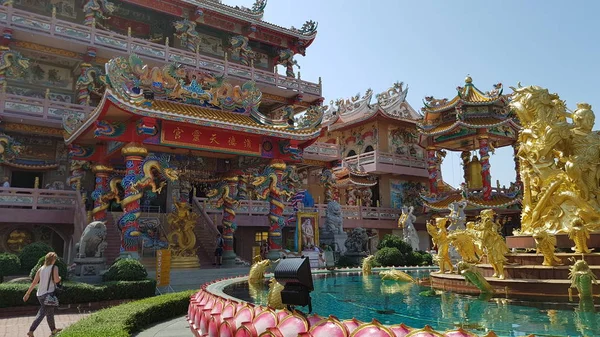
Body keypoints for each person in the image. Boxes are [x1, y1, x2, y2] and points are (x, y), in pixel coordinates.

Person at [23, 252, 62, 337]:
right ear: (53, 259)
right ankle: (31, 330)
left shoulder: (41, 268)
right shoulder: (54, 268)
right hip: (48, 294)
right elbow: (56, 280)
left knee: (50, 312)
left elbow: (34, 282)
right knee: (42, 313)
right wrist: (60, 278)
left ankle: (53, 330)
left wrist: (27, 293)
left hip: (40, 294)